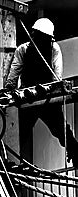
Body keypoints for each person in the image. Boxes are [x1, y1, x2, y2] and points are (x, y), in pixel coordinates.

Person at [5, 17, 78, 167]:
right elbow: (13, 76)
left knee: (62, 130)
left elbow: (57, 77)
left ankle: (77, 154)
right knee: (19, 132)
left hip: (48, 98)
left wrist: (52, 89)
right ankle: (11, 164)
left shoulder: (53, 49)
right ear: (34, 35)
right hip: (28, 99)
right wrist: (9, 91)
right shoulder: (23, 50)